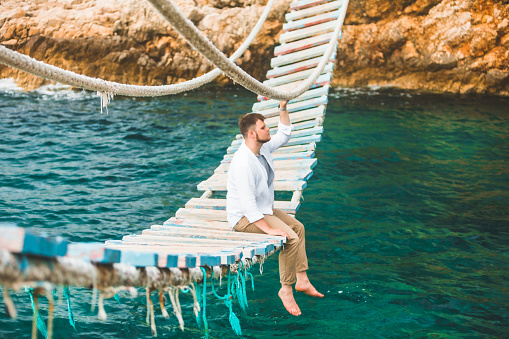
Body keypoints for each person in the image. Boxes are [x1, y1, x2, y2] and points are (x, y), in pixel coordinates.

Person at [226, 100, 323, 316]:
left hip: (263, 210)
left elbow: (285, 133)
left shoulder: (262, 147)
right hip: (244, 218)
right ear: (252, 134)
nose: (267, 129)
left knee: (298, 228)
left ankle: (303, 280)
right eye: (263, 127)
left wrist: (282, 108)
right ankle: (286, 289)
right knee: (290, 238)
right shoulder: (243, 163)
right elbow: (248, 206)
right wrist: (270, 230)